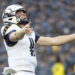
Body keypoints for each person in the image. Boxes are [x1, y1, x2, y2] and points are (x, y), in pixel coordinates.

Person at [1, 4, 75, 75]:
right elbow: (14, 37)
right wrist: (23, 31)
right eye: (19, 13)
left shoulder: (28, 32)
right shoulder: (9, 27)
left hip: (30, 71)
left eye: (23, 12)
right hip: (18, 71)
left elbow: (54, 41)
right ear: (10, 16)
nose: (23, 14)